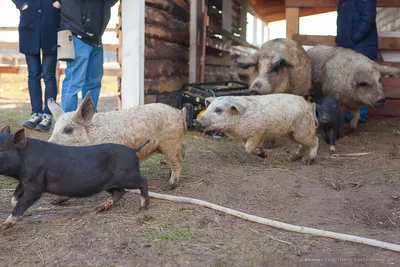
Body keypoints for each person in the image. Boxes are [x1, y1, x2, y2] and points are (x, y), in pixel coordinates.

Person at [59, 0, 118, 113]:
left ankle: (88, 119)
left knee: (94, 83)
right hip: (78, 36)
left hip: (96, 38)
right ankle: (68, 123)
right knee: (74, 82)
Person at [12, 0, 61, 131]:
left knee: (49, 75)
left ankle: (48, 115)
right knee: (33, 74)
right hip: (29, 24)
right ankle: (36, 114)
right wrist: (21, 4)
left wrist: (58, 2)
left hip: (50, 24)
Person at [336, 0, 378, 123]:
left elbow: (368, 18)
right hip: (348, 45)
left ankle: (360, 115)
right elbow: (342, 21)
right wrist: (340, 39)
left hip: (361, 45)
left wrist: (354, 38)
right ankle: (352, 114)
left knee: (362, 79)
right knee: (349, 80)